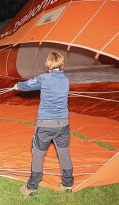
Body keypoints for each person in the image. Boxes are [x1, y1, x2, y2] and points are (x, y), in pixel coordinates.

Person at [14, 52, 74, 196]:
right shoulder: (65, 80)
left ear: (48, 64)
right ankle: (67, 184)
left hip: (45, 125)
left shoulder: (44, 78)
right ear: (61, 64)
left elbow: (27, 85)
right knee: (64, 154)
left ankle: (31, 187)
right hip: (63, 125)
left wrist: (18, 85)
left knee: (38, 155)